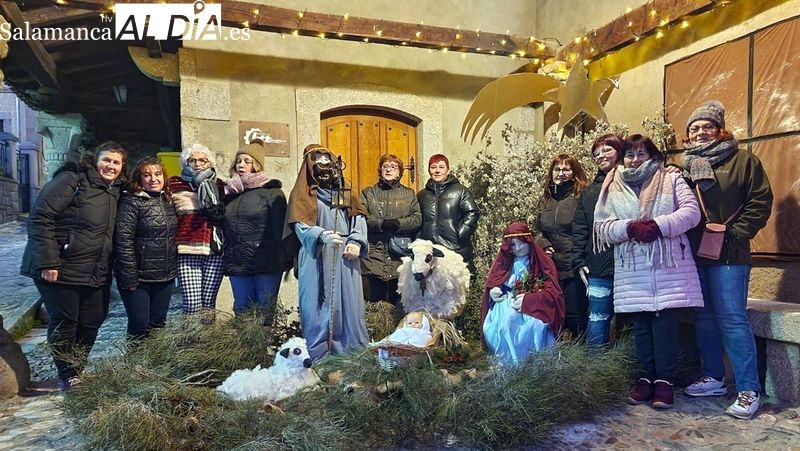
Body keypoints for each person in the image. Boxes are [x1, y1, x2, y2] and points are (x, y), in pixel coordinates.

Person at [594, 134, 703, 409]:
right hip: (634, 268)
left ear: (652, 156)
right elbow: (602, 226)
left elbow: (692, 212)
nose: (635, 159)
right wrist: (629, 228)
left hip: (667, 266)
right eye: (630, 154)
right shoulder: (613, 185)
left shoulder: (671, 178)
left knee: (665, 326)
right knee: (641, 328)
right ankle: (645, 380)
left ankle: (664, 383)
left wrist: (659, 225)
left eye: (641, 153)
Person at [680, 101, 772, 420]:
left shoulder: (743, 161)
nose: (701, 132)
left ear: (720, 130)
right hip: (695, 252)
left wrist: (735, 234)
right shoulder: (684, 166)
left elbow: (760, 200)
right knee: (704, 317)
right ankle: (714, 377)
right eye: (694, 128)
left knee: (732, 318)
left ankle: (749, 389)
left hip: (730, 253)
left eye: (707, 126)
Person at [20, 141, 127, 391]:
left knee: (92, 320)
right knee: (66, 321)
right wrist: (48, 261)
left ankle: (77, 369)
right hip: (61, 267)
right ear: (95, 160)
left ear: (122, 167)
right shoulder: (72, 180)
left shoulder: (115, 190)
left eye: (116, 162)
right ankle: (68, 376)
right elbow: (40, 217)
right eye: (106, 160)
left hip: (95, 270)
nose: (110, 166)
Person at [284, 144, 369, 361]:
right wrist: (320, 235)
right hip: (316, 255)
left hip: (346, 256)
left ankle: (353, 356)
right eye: (317, 160)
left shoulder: (344, 191)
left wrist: (357, 242)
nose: (323, 164)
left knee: (350, 306)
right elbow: (299, 225)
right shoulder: (302, 194)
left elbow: (358, 217)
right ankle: (320, 357)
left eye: (326, 159)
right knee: (317, 306)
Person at [481, 222, 565, 365]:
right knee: (507, 323)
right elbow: (496, 279)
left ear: (529, 242)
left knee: (537, 325)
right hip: (508, 299)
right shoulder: (505, 262)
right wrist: (494, 290)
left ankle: (536, 362)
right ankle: (511, 363)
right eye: (514, 245)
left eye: (522, 244)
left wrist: (531, 300)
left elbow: (552, 291)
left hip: (534, 301)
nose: (518, 248)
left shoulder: (541, 261)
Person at [570, 134, 625, 347]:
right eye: (596, 153)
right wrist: (579, 260)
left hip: (631, 265)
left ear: (620, 150)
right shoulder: (590, 192)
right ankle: (596, 364)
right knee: (598, 316)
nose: (600, 156)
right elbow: (580, 228)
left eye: (607, 150)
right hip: (598, 264)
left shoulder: (635, 183)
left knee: (632, 320)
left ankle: (629, 362)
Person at [115, 156, 178, 341]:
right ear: (139, 178)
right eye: (147, 175)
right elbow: (124, 241)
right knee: (139, 326)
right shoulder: (131, 202)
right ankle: (135, 359)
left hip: (164, 277)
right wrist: (129, 278)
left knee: (158, 325)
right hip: (139, 279)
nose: (153, 179)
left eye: (158, 174)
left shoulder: (168, 200)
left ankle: (155, 359)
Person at [222, 140, 288, 316]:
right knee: (242, 311)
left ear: (257, 165)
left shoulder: (272, 192)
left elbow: (280, 228)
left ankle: (265, 336)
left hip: (266, 261)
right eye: (238, 161)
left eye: (247, 161)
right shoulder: (230, 193)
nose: (241, 165)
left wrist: (285, 258)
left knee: (264, 312)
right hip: (237, 262)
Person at [535, 154, 589, 340]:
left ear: (574, 173)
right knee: (554, 312)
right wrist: (543, 243)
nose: (561, 173)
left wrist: (579, 255)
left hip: (573, 265)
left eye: (566, 169)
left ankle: (582, 351)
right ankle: (558, 352)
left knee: (574, 313)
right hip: (551, 267)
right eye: (557, 169)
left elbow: (586, 230)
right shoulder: (546, 199)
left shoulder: (580, 197)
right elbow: (538, 229)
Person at [168, 143, 226, 315]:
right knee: (192, 304)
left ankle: (208, 334)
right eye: (193, 160)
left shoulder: (220, 185)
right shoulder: (175, 184)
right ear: (186, 163)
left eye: (203, 160)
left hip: (214, 250)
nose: (198, 164)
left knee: (208, 304)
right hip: (187, 250)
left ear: (210, 163)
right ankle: (191, 334)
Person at [360, 154, 422, 305]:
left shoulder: (409, 194)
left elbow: (417, 219)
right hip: (374, 255)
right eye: (385, 166)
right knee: (375, 305)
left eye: (393, 167)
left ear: (399, 171)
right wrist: (381, 224)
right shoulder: (368, 193)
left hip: (399, 258)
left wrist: (399, 224)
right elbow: (361, 218)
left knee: (400, 305)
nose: (389, 170)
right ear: (380, 170)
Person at [417, 154, 480, 264]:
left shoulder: (460, 191)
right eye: (433, 167)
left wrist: (460, 234)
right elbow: (417, 219)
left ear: (448, 170)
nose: (437, 171)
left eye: (441, 167)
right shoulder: (422, 195)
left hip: (455, 250)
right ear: (429, 170)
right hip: (430, 251)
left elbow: (472, 213)